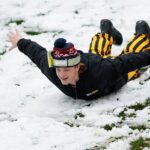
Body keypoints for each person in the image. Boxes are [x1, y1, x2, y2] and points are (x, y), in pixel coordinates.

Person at [7, 19, 150, 100]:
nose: (61, 75)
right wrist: (20, 41)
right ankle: (107, 32)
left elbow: (129, 61)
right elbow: (38, 54)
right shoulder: (53, 71)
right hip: (93, 59)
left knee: (132, 54)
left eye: (66, 70)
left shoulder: (102, 71)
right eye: (59, 69)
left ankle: (142, 35)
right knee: (96, 49)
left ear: (77, 67)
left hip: (112, 77)